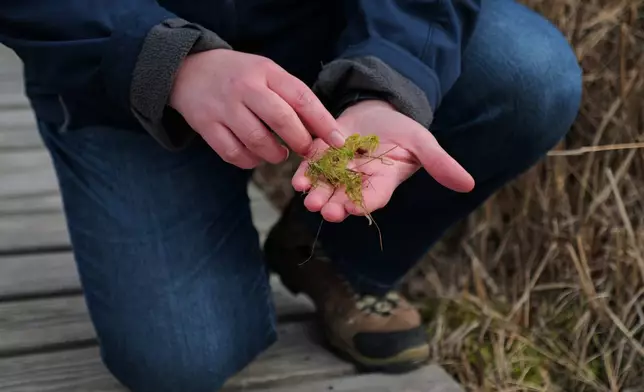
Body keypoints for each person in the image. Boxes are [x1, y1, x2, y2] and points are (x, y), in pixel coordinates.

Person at [0, 0, 582, 391]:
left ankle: (334, 253)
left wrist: (387, 87)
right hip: (124, 70)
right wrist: (167, 62)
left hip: (323, 30)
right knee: (180, 358)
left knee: (530, 74)